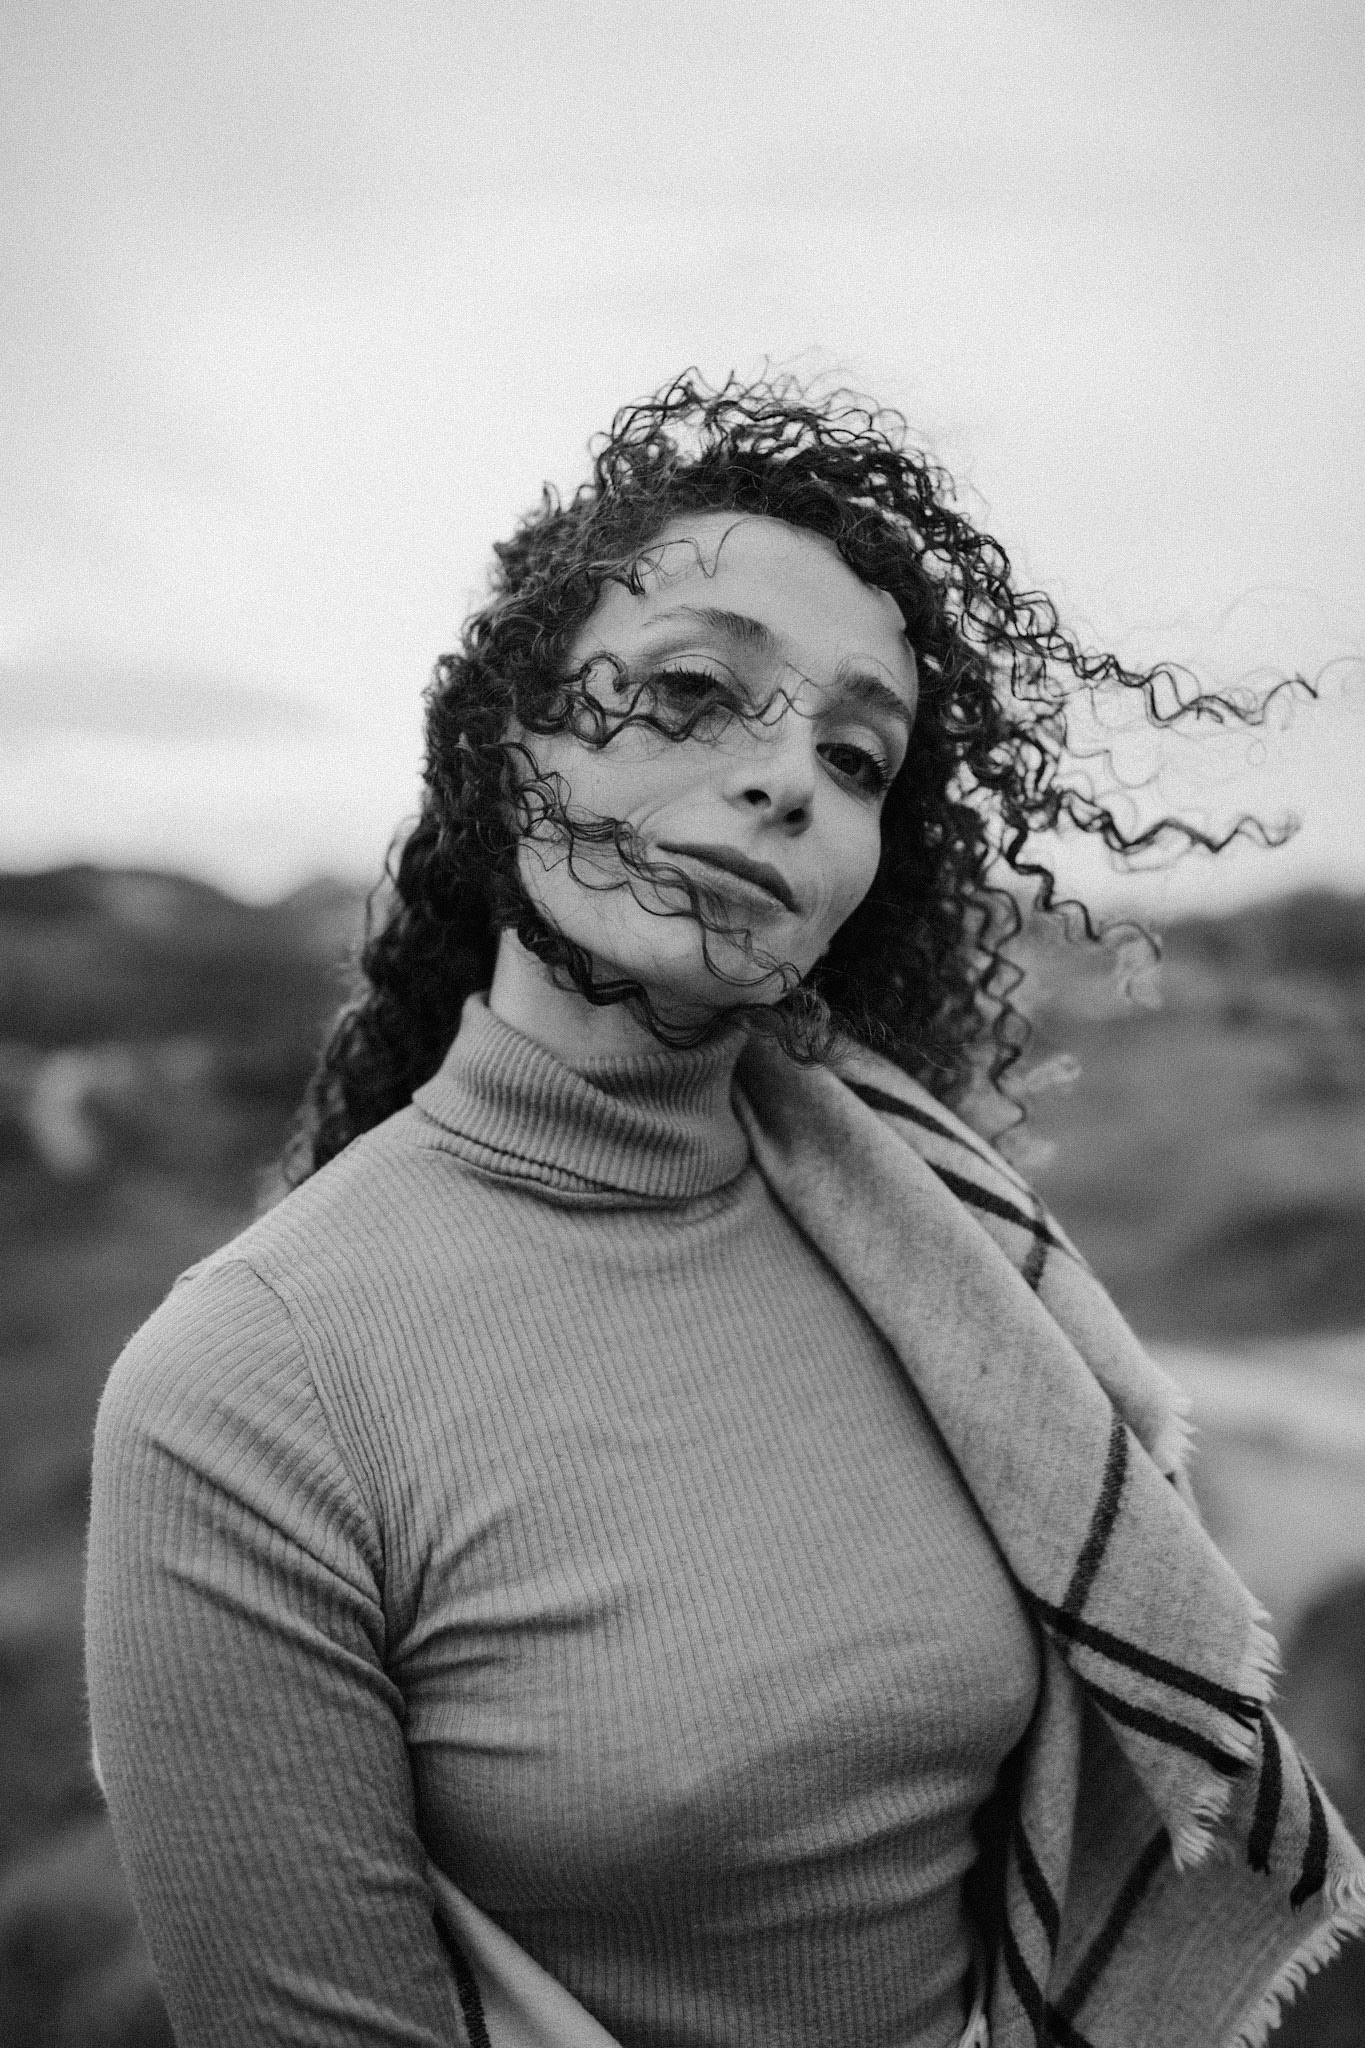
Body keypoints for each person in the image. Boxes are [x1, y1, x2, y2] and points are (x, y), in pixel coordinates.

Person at [86, 375, 1363, 2048]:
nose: (786, 783)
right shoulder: (250, 1387)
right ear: (510, 741)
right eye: (693, 690)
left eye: (855, 756)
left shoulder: (930, 1240)